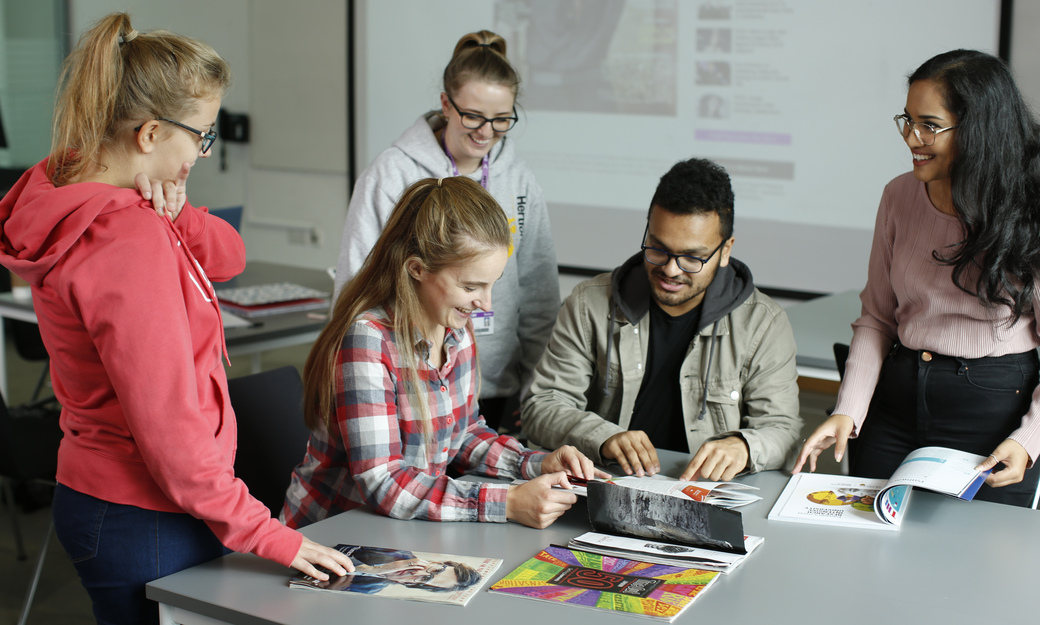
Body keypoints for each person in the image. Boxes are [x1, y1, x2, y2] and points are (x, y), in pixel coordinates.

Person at [0, 14, 352, 624]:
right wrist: (270, 535)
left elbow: (228, 255)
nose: (204, 151)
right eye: (202, 135)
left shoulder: (72, 188)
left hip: (115, 497)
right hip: (146, 510)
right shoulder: (124, 240)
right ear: (150, 132)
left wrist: (177, 211)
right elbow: (171, 433)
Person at [794, 49, 1040, 508]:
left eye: (930, 125)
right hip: (898, 399)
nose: (912, 138)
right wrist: (848, 409)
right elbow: (877, 319)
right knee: (873, 546)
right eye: (906, 121)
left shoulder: (1028, 207)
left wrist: (1029, 439)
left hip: (993, 408)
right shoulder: (898, 196)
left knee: (973, 565)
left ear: (979, 129)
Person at [283, 176, 602, 530]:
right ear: (417, 269)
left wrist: (537, 464)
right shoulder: (368, 341)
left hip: (398, 530)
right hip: (326, 538)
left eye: (491, 284)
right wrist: (508, 502)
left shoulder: (457, 330)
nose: (485, 303)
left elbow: (463, 434)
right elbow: (384, 482)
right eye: (471, 286)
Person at [522, 158, 802, 481]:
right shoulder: (589, 304)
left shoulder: (763, 323)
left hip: (705, 495)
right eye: (658, 249)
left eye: (692, 258)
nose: (670, 270)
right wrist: (603, 436)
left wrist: (743, 446)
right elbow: (541, 406)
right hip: (611, 487)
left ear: (725, 251)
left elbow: (784, 429)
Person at [334, 30, 559, 432]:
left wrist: (536, 390)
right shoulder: (393, 173)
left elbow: (540, 297)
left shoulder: (519, 179)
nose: (485, 132)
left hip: (498, 385)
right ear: (445, 104)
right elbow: (355, 284)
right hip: (409, 385)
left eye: (501, 120)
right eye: (473, 116)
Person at [313, 546, 480, 594]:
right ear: (435, 561)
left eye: (425, 579)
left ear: (412, 585)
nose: (418, 573)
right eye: (435, 569)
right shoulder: (401, 553)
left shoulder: (372, 589)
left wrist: (374, 571)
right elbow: (331, 553)